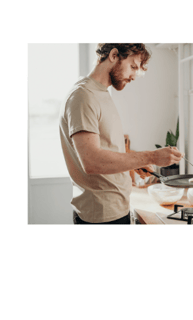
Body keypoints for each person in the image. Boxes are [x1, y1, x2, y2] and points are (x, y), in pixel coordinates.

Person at [59, 43, 184, 224]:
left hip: (115, 210)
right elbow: (92, 161)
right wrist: (151, 156)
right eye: (132, 66)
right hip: (101, 216)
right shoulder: (83, 96)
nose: (134, 75)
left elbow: (105, 148)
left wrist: (132, 164)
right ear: (114, 55)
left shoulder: (100, 93)